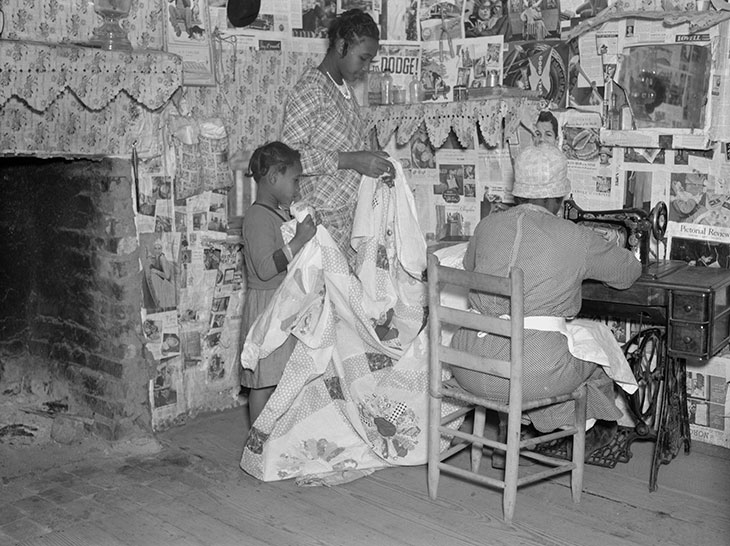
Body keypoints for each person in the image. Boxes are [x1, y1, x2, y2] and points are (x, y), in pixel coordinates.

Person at [450, 144, 642, 468]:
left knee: (547, 351)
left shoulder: (486, 227)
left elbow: (471, 268)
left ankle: (521, 433)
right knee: (598, 354)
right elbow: (628, 274)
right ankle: (588, 432)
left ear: (519, 190)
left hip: (467, 363)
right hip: (529, 377)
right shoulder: (575, 237)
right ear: (561, 196)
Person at [280, 9, 394, 265]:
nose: (365, 68)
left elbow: (345, 146)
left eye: (369, 62)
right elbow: (287, 160)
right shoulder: (311, 88)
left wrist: (373, 160)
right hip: (322, 223)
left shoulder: (343, 90)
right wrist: (350, 160)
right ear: (342, 45)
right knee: (324, 301)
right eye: (363, 58)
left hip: (348, 221)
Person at [240, 142, 316, 428]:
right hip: (266, 308)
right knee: (263, 381)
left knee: (282, 376)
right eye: (294, 180)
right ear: (273, 177)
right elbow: (263, 269)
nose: (297, 187)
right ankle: (258, 442)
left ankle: (277, 437)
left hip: (282, 304)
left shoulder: (279, 213)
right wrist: (298, 242)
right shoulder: (257, 217)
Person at [143, 239, 177, 312]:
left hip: (167, 286)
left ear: (162, 249)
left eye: (159, 248)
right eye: (155, 248)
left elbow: (167, 276)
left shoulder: (162, 258)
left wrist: (156, 271)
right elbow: (151, 257)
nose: (157, 250)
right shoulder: (156, 256)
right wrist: (147, 251)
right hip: (162, 284)